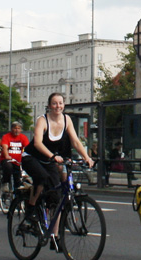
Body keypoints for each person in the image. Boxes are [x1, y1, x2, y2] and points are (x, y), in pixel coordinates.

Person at [21, 92, 95, 248]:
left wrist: (87, 158)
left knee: (57, 197)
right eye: (54, 103)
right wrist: (53, 156)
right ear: (49, 105)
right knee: (41, 178)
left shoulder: (67, 120)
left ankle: (54, 236)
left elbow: (75, 141)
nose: (58, 106)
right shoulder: (43, 120)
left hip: (49, 160)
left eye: (60, 103)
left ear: (64, 104)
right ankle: (31, 210)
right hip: (32, 157)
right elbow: (38, 143)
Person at [0, 121, 29, 193]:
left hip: (17, 161)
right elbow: (5, 147)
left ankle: (17, 197)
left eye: (19, 128)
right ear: (12, 129)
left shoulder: (23, 137)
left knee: (18, 178)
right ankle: (5, 182)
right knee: (8, 167)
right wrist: (6, 155)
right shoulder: (6, 137)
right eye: (15, 128)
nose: (17, 130)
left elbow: (27, 148)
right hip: (7, 160)